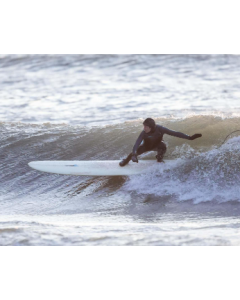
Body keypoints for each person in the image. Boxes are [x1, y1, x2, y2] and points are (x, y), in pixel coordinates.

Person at [119, 118, 202, 167]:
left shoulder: (160, 129)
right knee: (133, 154)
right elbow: (137, 143)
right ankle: (125, 161)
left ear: (151, 127)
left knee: (163, 147)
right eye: (143, 126)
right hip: (146, 146)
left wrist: (189, 137)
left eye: (145, 126)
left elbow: (175, 133)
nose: (144, 128)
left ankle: (159, 158)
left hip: (158, 145)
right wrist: (134, 154)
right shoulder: (144, 133)